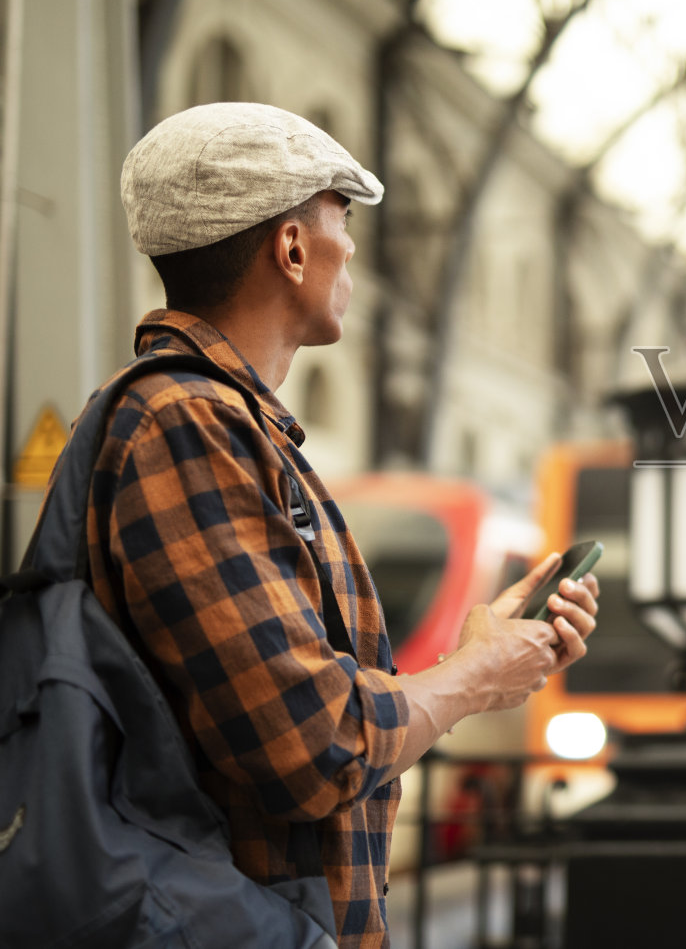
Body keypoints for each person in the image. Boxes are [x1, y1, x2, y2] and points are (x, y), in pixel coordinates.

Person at [68, 101, 599, 948]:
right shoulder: (186, 426)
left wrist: (476, 660)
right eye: (341, 219)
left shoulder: (231, 426)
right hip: (228, 927)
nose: (350, 249)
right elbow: (313, 745)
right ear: (291, 247)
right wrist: (472, 677)